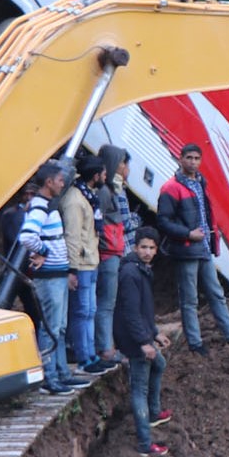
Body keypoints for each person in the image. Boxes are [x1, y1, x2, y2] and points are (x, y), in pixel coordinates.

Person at [156, 144, 229, 352]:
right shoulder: (171, 188)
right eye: (189, 158)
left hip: (202, 248)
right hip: (186, 249)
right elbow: (163, 221)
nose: (193, 162)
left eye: (196, 158)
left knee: (216, 293)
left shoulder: (200, 182)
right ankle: (195, 343)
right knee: (189, 299)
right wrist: (187, 234)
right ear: (180, 159)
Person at [17, 161, 80, 394]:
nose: (63, 183)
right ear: (49, 182)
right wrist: (43, 251)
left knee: (59, 326)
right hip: (50, 276)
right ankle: (49, 377)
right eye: (60, 179)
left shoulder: (47, 205)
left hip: (58, 273)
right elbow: (26, 237)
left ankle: (62, 372)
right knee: (51, 328)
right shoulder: (39, 208)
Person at [111, 231, 170, 456]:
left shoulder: (142, 270)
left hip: (141, 334)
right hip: (133, 339)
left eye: (152, 248)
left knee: (160, 364)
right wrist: (144, 343)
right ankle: (145, 444)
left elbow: (144, 310)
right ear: (135, 248)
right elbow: (130, 312)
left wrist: (154, 332)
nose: (147, 252)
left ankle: (153, 413)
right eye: (143, 247)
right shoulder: (129, 273)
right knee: (139, 389)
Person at [59, 153, 106, 375]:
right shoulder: (75, 200)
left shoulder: (89, 196)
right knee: (82, 311)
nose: (106, 176)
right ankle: (83, 357)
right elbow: (73, 236)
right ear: (95, 176)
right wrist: (72, 268)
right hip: (82, 264)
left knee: (90, 310)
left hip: (91, 261)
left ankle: (91, 353)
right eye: (103, 172)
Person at [89, 148, 135, 362]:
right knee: (106, 303)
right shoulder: (106, 192)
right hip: (108, 253)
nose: (126, 169)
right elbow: (116, 223)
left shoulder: (112, 189)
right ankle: (105, 348)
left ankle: (109, 344)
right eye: (122, 164)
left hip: (113, 253)